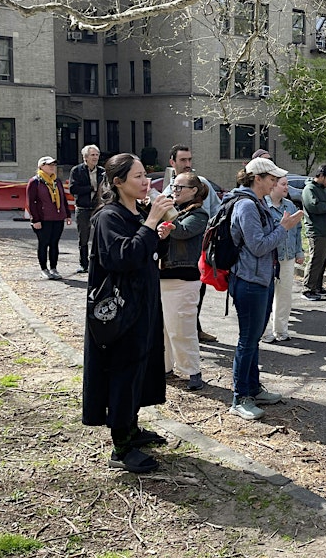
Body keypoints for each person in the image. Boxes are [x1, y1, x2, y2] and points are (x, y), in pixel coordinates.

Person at [82, 153, 174, 473]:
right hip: (120, 312)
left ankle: (132, 428)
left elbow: (146, 250)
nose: (145, 181)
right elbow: (121, 257)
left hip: (143, 305)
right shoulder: (108, 217)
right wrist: (150, 225)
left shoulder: (138, 211)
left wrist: (158, 236)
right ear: (118, 182)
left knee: (140, 367)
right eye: (137, 176)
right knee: (122, 372)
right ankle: (120, 448)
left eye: (145, 174)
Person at [225, 157, 303, 421]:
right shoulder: (247, 205)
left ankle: (253, 389)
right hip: (249, 281)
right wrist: (283, 228)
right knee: (247, 339)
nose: (275, 183)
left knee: (253, 337)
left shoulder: (255, 203)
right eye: (271, 178)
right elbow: (258, 246)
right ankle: (239, 397)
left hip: (258, 279)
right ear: (256, 178)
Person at [163, 144, 221, 343]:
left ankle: (194, 331)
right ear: (173, 162)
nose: (188, 164)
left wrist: (209, 236)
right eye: (183, 160)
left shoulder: (202, 184)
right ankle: (189, 332)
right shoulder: (167, 192)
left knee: (195, 296)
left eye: (190, 160)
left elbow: (216, 212)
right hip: (174, 260)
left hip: (198, 253)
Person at [158, 172, 209, 391]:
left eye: (179, 187)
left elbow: (182, 232)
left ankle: (193, 371)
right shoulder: (172, 209)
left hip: (184, 278)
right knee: (161, 328)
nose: (174, 191)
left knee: (182, 328)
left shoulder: (199, 214)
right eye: (173, 186)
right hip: (161, 276)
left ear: (194, 191)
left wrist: (165, 222)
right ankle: (165, 368)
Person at [264, 175, 304, 343]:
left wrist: (299, 251)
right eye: (283, 184)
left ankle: (281, 330)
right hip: (268, 257)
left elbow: (297, 230)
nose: (287, 187)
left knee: (285, 295)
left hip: (287, 257)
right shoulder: (263, 206)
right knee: (266, 296)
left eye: (287, 184)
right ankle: (264, 331)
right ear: (273, 185)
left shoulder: (290, 205)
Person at [27, 156, 72, 280]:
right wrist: (35, 219)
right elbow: (31, 203)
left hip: (57, 217)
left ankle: (54, 267)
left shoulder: (56, 181)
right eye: (49, 164)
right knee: (43, 243)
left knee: (54, 243)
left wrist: (67, 214)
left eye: (53, 164)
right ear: (41, 166)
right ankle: (44, 268)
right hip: (43, 218)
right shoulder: (35, 182)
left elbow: (63, 199)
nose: (52, 167)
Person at [301, 164, 326, 301]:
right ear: (321, 176)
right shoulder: (309, 189)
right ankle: (308, 288)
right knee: (316, 260)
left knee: (323, 260)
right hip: (316, 231)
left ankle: (317, 286)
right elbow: (314, 207)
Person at [68, 145, 105, 274]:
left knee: (101, 236)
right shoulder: (77, 171)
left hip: (98, 208)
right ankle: (84, 264)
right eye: (92, 155)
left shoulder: (102, 171)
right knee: (83, 238)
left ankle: (101, 263)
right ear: (85, 157)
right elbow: (73, 189)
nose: (95, 158)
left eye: (97, 155)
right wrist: (91, 188)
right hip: (83, 208)